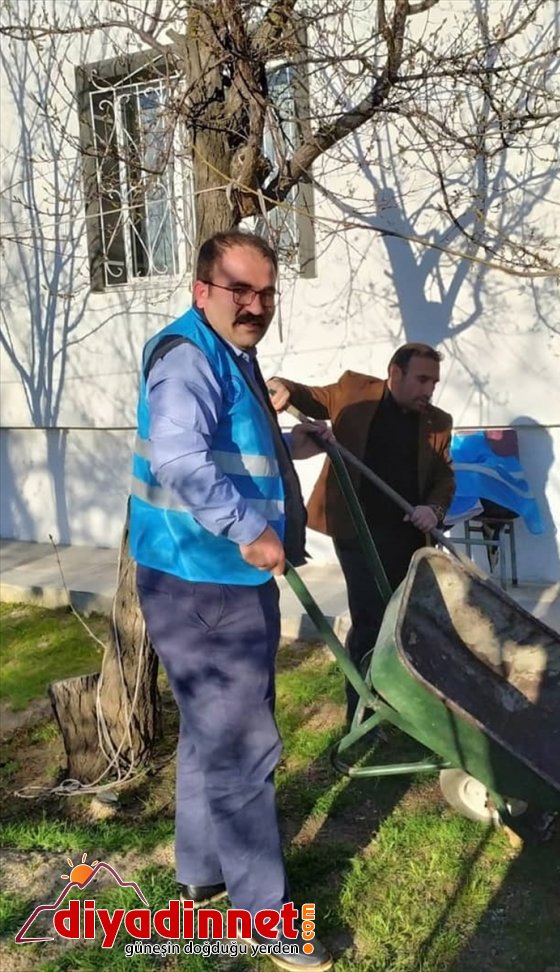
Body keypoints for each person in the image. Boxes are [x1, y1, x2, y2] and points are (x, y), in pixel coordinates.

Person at [129, 231, 333, 971]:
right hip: (206, 580)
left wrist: (299, 444)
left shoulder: (228, 353)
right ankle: (263, 917)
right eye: (240, 290)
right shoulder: (187, 358)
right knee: (245, 746)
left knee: (208, 733)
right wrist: (251, 530)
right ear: (202, 290)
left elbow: (230, 446)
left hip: (199, 575)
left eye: (266, 292)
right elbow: (183, 459)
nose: (255, 305)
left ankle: (202, 875)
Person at [267, 344, 454, 724]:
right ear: (395, 373)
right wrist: (280, 384)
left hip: (408, 535)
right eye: (421, 379)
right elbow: (309, 396)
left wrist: (431, 510)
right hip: (356, 530)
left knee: (409, 621)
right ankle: (363, 711)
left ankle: (408, 704)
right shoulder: (354, 390)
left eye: (433, 381)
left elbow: (443, 477)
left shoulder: (437, 421)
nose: (428, 389)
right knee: (371, 621)